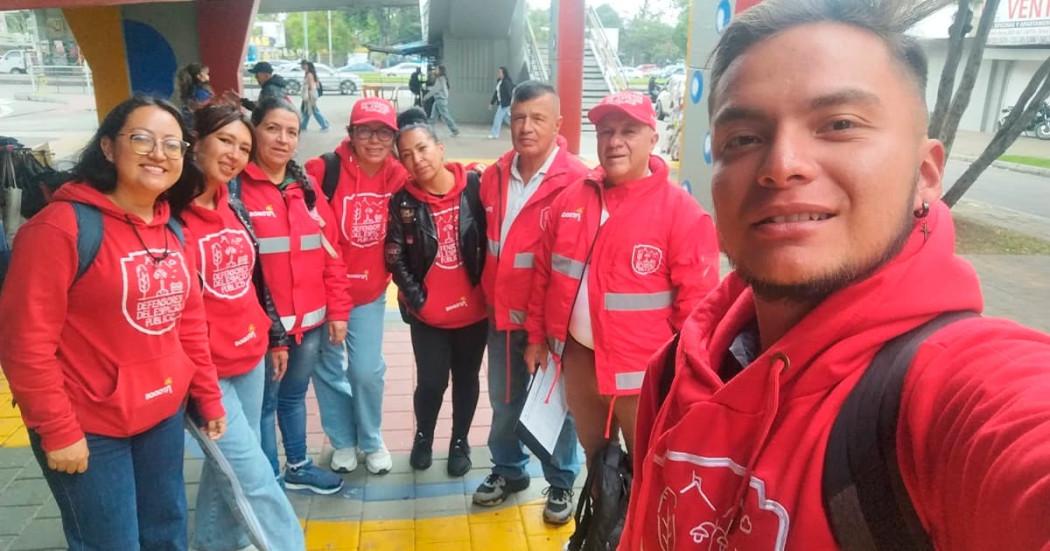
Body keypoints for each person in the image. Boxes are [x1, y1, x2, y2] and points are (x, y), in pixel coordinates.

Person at [621, 1, 1050, 549]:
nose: (782, 164)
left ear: (925, 175)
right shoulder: (682, 365)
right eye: (743, 139)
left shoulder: (948, 396)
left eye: (839, 125)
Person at [0, 96, 226, 549]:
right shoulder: (59, 229)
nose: (158, 153)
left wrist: (207, 395)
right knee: (112, 542)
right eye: (141, 138)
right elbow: (25, 344)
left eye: (173, 144)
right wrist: (59, 430)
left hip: (161, 415)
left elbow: (188, 325)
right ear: (107, 147)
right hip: (90, 428)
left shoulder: (172, 230)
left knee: (166, 533)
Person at [523, 91, 720, 466]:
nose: (614, 142)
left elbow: (698, 309)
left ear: (653, 138)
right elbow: (544, 275)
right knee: (598, 462)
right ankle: (604, 521)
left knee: (651, 466)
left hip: (642, 377)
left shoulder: (682, 214)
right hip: (579, 363)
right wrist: (536, 338)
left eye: (628, 131)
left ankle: (638, 526)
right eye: (605, 131)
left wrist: (680, 377)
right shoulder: (571, 200)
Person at [172, 102, 304, 550]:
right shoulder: (170, 215)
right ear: (196, 141)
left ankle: (212, 544)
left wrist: (273, 335)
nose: (234, 154)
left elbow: (253, 279)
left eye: (243, 147)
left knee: (224, 468)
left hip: (249, 360)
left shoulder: (234, 204)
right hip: (204, 372)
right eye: (225, 140)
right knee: (255, 476)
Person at [472, 81, 589, 524]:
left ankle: (560, 481)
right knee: (504, 400)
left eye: (538, 118)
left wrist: (549, 332)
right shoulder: (496, 175)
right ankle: (507, 469)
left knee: (552, 406)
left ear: (557, 124)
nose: (526, 127)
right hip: (501, 318)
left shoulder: (578, 181)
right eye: (519, 117)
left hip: (553, 322)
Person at [240, 97, 351, 494]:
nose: (282, 139)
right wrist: (270, 332)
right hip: (265, 330)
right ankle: (268, 480)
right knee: (265, 407)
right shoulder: (237, 190)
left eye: (291, 132)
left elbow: (332, 252)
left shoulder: (306, 189)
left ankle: (298, 466)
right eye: (272, 128)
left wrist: (338, 310)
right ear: (254, 131)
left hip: (311, 324)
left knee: (293, 398)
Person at [305, 97, 409, 475]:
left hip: (369, 294)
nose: (375, 140)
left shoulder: (398, 175)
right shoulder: (323, 170)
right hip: (324, 291)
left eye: (383, 132)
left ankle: (370, 437)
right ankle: (343, 441)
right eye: (365, 130)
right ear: (351, 134)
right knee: (328, 368)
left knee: (365, 371)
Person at [385, 107, 487, 477]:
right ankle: (423, 436)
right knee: (430, 382)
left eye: (423, 148)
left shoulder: (476, 188)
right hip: (428, 316)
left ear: (441, 149)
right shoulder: (403, 202)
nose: (417, 159)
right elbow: (395, 258)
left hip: (475, 314)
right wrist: (419, 300)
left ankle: (460, 441)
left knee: (466, 379)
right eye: (407, 155)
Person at [423, 65, 461, 138]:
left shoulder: (440, 79)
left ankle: (455, 130)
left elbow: (435, 90)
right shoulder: (441, 79)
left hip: (440, 100)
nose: (435, 71)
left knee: (445, 116)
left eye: (436, 69)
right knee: (433, 117)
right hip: (438, 100)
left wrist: (425, 97)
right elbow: (437, 88)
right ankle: (429, 131)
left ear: (440, 71)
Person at [299, 60, 330, 132]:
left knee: (313, 110)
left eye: (303, 65)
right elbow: (317, 84)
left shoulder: (309, 74)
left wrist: (308, 95)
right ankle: (303, 125)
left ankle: (324, 125)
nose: (302, 66)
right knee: (307, 111)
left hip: (310, 95)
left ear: (306, 65)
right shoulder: (310, 73)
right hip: (312, 94)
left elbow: (311, 86)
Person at [488, 66, 514, 139]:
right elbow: (496, 93)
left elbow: (509, 93)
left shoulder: (506, 82)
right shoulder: (500, 82)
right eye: (498, 72)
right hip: (502, 104)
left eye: (500, 72)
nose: (499, 73)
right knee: (507, 119)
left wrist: (512, 103)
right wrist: (491, 103)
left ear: (504, 73)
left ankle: (494, 134)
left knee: (497, 118)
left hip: (505, 104)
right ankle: (518, 129)